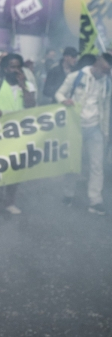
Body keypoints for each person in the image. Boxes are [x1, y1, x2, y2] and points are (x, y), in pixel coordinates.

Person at [55, 52, 112, 215]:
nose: (106, 73)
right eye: (105, 70)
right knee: (73, 163)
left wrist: (106, 133)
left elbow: (106, 108)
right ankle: (68, 194)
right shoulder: (76, 76)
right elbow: (59, 93)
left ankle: (95, 200)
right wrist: (63, 101)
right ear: (98, 65)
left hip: (96, 129)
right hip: (75, 127)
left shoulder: (107, 83)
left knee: (97, 165)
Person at [0, 53, 36, 215]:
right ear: (5, 69)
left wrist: (23, 85)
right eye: (12, 67)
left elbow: (31, 105)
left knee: (15, 170)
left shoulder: (28, 86)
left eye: (18, 67)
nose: (16, 70)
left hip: (19, 136)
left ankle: (9, 202)